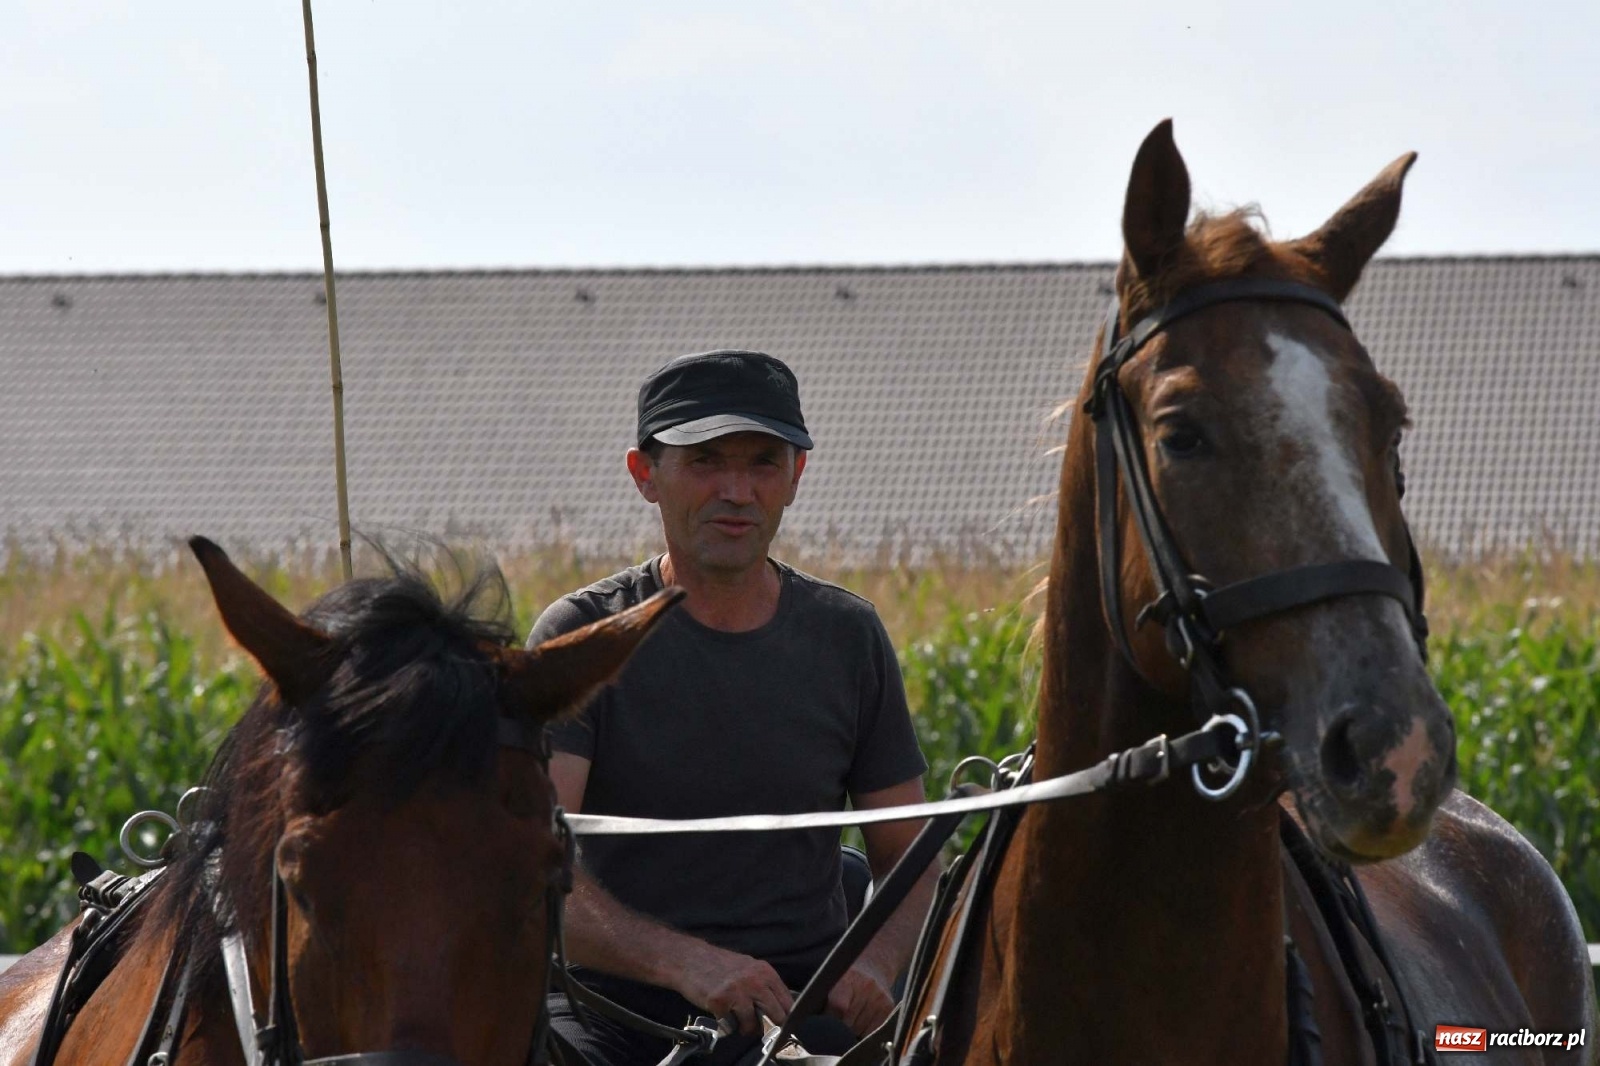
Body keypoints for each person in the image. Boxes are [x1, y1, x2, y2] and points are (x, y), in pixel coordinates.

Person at [527, 350, 935, 1066]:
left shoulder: (848, 637)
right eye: (706, 461)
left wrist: (874, 966)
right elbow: (532, 873)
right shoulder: (580, 640)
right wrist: (687, 963)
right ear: (644, 476)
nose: (737, 491)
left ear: (795, 479)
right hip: (613, 1016)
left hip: (801, 1011)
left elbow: (911, 862)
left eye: (762, 463)